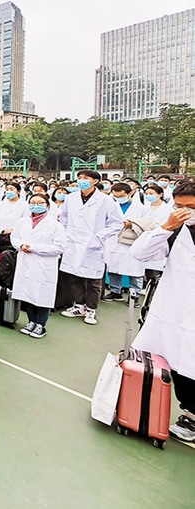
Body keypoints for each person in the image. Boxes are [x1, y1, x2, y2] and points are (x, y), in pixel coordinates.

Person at [130, 181, 195, 443]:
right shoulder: (174, 231)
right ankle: (190, 415)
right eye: (179, 206)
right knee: (179, 363)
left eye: (190, 207)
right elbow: (139, 253)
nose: (184, 211)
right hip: (176, 310)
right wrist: (166, 227)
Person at [59, 169, 124, 326]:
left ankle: (91, 309)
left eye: (86, 178)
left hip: (93, 243)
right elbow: (64, 217)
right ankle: (79, 305)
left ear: (95, 181)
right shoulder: (71, 198)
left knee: (93, 280)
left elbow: (116, 223)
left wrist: (98, 237)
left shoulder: (105, 200)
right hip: (73, 242)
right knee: (74, 276)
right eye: (80, 177)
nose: (82, 180)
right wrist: (67, 234)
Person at [10, 193, 67, 338]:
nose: (36, 205)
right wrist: (21, 245)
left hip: (44, 265)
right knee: (27, 293)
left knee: (42, 295)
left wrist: (35, 248)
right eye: (33, 202)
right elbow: (14, 237)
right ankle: (31, 321)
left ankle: (41, 324)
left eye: (40, 202)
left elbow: (60, 247)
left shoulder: (55, 225)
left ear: (47, 205)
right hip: (26, 262)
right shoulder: (22, 222)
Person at [102, 182, 149, 303]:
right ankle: (115, 291)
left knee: (134, 270)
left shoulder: (142, 208)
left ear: (130, 193)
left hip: (132, 242)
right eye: (115, 196)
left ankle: (135, 295)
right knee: (113, 268)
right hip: (113, 240)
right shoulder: (111, 205)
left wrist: (132, 224)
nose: (118, 199)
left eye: (121, 196)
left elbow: (149, 223)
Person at [142, 183, 173, 282]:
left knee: (157, 268)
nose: (148, 196)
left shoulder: (168, 209)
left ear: (160, 194)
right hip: (145, 238)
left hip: (161, 239)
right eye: (146, 194)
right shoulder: (143, 208)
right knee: (145, 268)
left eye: (151, 193)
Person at [0, 182, 30, 249]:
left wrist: (13, 230)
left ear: (18, 191)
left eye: (11, 189)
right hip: (1, 236)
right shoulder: (1, 204)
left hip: (16, 236)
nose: (9, 191)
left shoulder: (24, 205)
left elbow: (26, 222)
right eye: (7, 189)